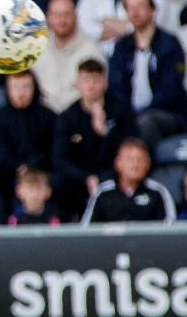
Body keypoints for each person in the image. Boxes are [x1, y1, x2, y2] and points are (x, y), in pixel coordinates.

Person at [52, 58, 140, 220]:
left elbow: (131, 148)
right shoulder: (68, 116)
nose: (91, 85)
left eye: (96, 79)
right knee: (59, 184)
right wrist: (86, 177)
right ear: (78, 83)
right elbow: (60, 158)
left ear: (105, 82)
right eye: (86, 79)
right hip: (79, 176)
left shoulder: (121, 109)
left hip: (112, 172)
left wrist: (105, 131)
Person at [107, 0, 187, 146]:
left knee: (146, 123)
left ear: (153, 10)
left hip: (166, 114)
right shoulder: (122, 46)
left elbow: (170, 91)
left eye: (140, 6)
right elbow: (116, 87)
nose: (135, 12)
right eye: (130, 7)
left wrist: (140, 114)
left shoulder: (170, 44)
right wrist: (127, 115)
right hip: (130, 115)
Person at [0, 70, 57, 200]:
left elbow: (53, 151)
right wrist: (20, 167)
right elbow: (2, 155)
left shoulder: (48, 115)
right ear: (8, 90)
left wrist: (32, 166)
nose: (21, 93)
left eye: (26, 87)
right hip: (11, 173)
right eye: (16, 88)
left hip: (43, 170)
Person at [30, 0, 106, 113]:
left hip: (78, 115)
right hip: (43, 115)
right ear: (48, 17)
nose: (62, 20)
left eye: (67, 15)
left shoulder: (92, 50)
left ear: (75, 17)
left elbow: (99, 92)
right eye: (57, 15)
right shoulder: (36, 47)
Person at [82, 138, 176, 224]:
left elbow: (169, 231)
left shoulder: (158, 192)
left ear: (148, 164)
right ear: (117, 163)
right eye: (130, 159)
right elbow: (86, 231)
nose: (135, 165)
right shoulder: (103, 192)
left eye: (140, 160)